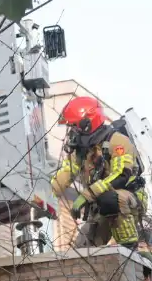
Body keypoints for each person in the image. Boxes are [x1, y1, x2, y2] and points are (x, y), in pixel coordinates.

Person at [50, 95, 147, 249]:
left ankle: (130, 248)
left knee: (110, 199)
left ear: (87, 124)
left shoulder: (118, 141)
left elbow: (121, 175)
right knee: (81, 253)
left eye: (74, 127)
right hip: (100, 206)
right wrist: (45, 195)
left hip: (128, 200)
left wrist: (86, 195)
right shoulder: (81, 152)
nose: (72, 133)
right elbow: (66, 173)